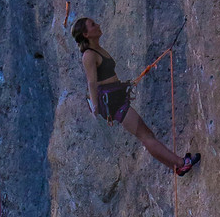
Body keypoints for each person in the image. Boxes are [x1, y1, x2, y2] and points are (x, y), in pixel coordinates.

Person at [71, 18, 200, 176]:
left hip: (115, 98)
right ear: (86, 34)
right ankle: (181, 163)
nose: (98, 25)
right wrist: (96, 106)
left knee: (147, 135)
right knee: (145, 136)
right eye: (93, 25)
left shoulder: (97, 49)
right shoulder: (89, 55)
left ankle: (177, 166)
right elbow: (92, 82)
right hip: (112, 103)